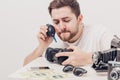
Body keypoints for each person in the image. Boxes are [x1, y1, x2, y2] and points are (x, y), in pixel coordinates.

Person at [23, 0, 114, 66]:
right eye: (56, 22)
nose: (61, 27)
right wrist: (42, 47)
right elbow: (25, 67)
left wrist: (87, 58)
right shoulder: (52, 40)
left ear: (79, 19)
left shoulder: (99, 33)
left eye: (66, 20)